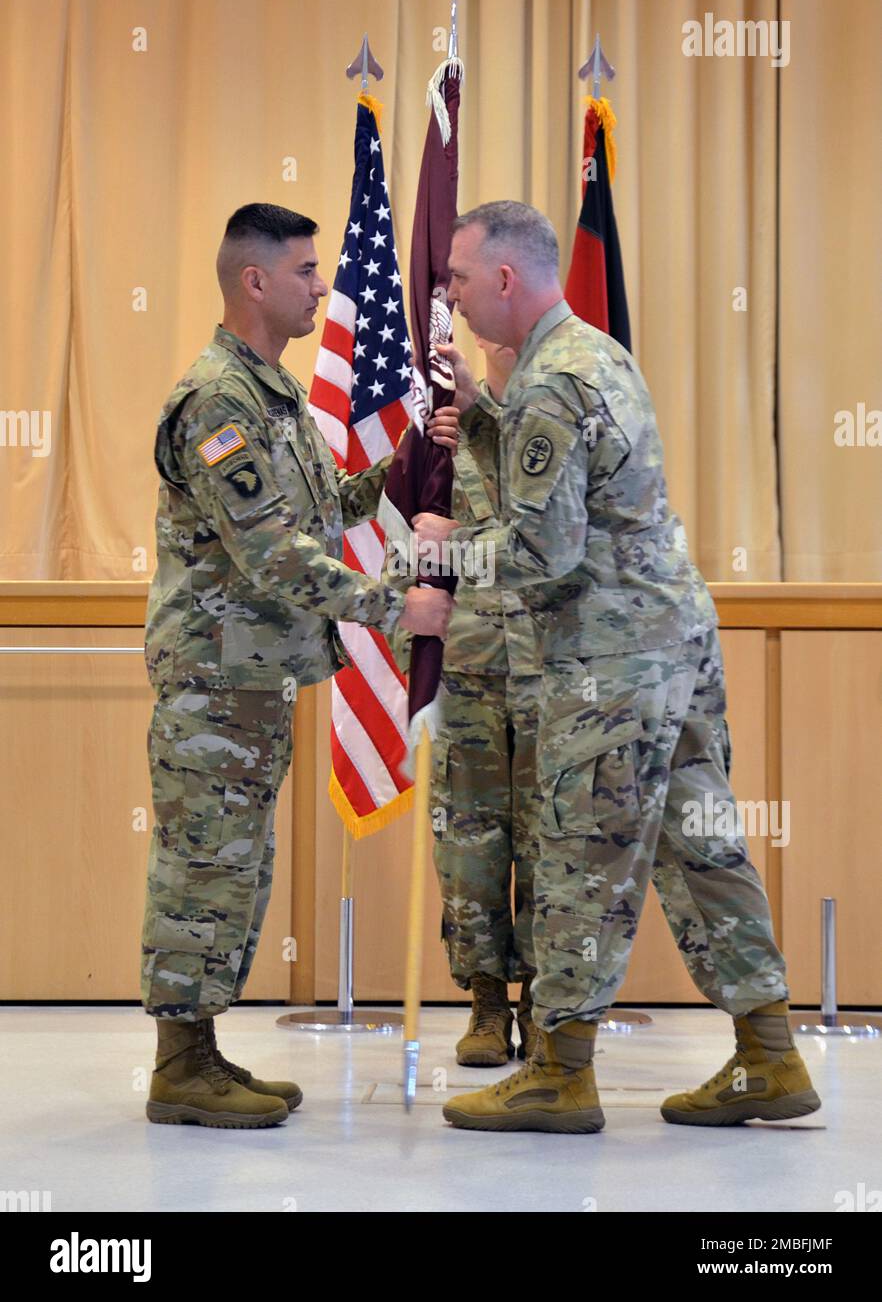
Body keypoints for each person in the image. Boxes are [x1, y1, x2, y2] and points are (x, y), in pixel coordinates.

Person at [414, 200, 820, 1133]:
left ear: (507, 280)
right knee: (702, 842)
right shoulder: (594, 356)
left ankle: (561, 1069)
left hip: (609, 660)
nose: (455, 300)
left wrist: (449, 550)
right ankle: (769, 1052)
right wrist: (484, 424)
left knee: (577, 848)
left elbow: (543, 554)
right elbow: (575, 487)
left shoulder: (554, 382)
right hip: (669, 646)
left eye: (461, 281)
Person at [142, 202, 454, 1129]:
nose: (323, 286)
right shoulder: (218, 401)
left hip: (252, 676)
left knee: (236, 869)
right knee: (202, 866)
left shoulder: (272, 395)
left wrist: (401, 467)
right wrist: (396, 607)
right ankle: (178, 1065)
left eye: (323, 271)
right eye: (309, 271)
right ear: (256, 281)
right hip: (212, 680)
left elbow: (319, 511)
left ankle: (199, 1052)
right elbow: (272, 551)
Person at [391, 337, 544, 1065]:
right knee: (470, 851)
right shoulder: (440, 446)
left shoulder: (547, 444)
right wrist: (414, 667)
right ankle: (486, 1001)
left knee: (551, 846)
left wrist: (461, 544)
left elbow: (560, 545)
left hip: (552, 677)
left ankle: (549, 1004)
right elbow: (407, 561)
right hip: (468, 673)